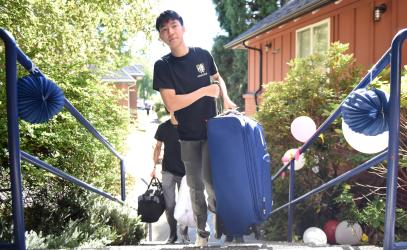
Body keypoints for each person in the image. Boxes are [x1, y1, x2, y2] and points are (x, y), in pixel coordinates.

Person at [152, 10, 237, 247]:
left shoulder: (203, 55)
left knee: (212, 185)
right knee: (195, 188)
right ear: (161, 37)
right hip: (187, 136)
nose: (170, 32)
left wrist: (227, 100)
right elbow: (172, 103)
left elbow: (217, 79)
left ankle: (222, 220)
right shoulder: (163, 66)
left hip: (212, 132)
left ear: (183, 28)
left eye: (174, 26)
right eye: (164, 30)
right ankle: (202, 233)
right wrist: (204, 91)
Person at [152, 111, 189, 244]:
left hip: (184, 173)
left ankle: (184, 231)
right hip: (167, 171)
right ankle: (173, 234)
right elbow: (157, 148)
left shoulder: (187, 126)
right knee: (170, 205)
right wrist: (154, 168)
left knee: (184, 205)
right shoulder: (163, 127)